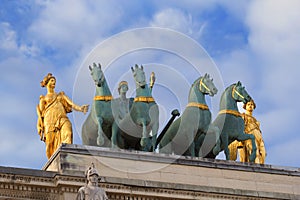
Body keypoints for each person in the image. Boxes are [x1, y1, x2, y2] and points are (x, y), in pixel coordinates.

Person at [36, 73, 89, 159]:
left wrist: (80, 108)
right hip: (49, 121)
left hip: (62, 118)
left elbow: (71, 104)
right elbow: (41, 114)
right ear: (47, 83)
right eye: (52, 81)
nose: (54, 82)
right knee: (50, 144)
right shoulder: (44, 99)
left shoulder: (60, 95)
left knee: (68, 133)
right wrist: (39, 126)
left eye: (55, 81)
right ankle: (53, 162)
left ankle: (68, 158)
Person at [239, 99, 266, 164]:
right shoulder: (243, 116)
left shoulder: (256, 120)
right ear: (245, 107)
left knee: (263, 154)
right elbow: (240, 127)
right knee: (255, 153)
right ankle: (256, 170)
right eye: (248, 104)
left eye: (252, 104)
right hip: (250, 137)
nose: (250, 106)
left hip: (259, 138)